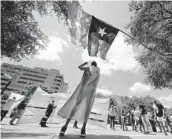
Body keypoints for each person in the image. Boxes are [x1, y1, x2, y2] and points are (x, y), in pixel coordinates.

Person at [58, 61, 100, 137]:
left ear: (91, 64)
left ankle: (65, 126)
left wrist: (84, 64)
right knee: (87, 108)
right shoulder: (97, 70)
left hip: (82, 89)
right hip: (91, 90)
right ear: (96, 65)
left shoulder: (89, 68)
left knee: (75, 106)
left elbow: (80, 67)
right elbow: (92, 74)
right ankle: (83, 129)